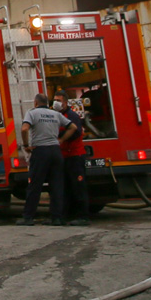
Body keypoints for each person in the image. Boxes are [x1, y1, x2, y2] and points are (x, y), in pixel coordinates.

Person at [19, 93, 77, 226]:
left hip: (40, 151)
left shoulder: (32, 113)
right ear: (47, 102)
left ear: (35, 103)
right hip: (56, 151)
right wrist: (61, 139)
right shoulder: (55, 114)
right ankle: (56, 218)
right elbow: (73, 127)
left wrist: (26, 145)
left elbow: (24, 129)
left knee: (35, 185)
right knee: (56, 185)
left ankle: (28, 217)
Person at [54, 90, 90, 226]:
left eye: (59, 100)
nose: (56, 102)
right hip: (63, 156)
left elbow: (76, 132)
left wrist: (62, 138)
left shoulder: (72, 116)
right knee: (65, 187)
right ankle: (65, 215)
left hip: (75, 155)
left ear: (65, 102)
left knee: (78, 186)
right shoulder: (57, 116)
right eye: (55, 100)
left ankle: (83, 216)